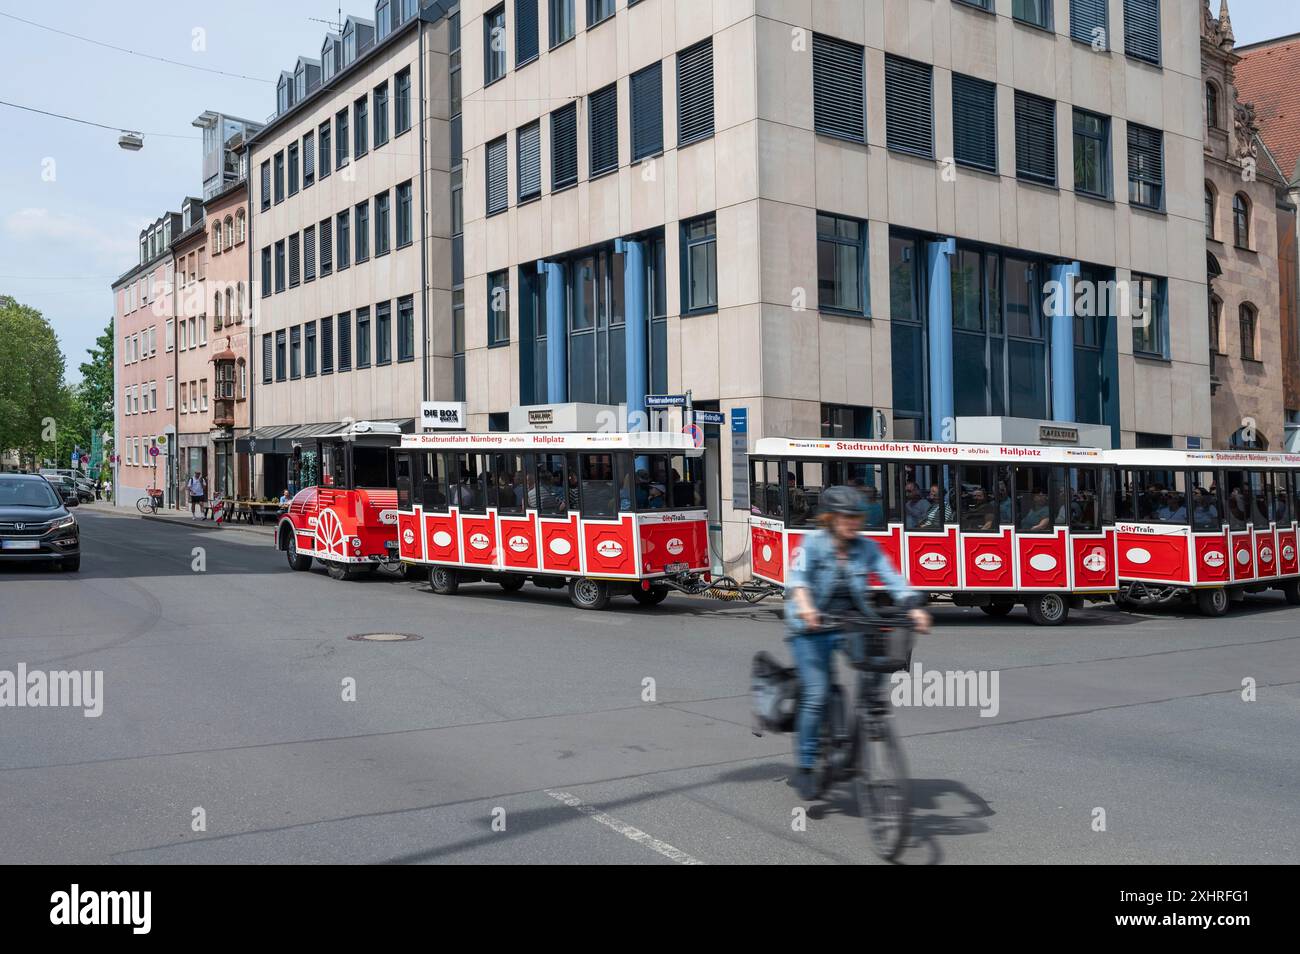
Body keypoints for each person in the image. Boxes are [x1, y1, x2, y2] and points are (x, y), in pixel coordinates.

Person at [785, 486, 932, 801]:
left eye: (856, 517)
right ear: (830, 518)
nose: (853, 523)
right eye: (845, 517)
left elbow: (892, 578)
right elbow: (797, 581)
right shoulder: (811, 543)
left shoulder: (867, 547)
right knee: (817, 693)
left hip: (852, 622)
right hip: (810, 624)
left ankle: (869, 714)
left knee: (878, 661)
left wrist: (913, 607)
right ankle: (807, 765)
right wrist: (807, 607)